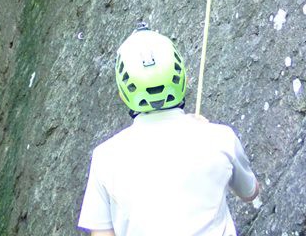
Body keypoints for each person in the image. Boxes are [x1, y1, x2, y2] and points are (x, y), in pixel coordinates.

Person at [78, 25, 259, 236]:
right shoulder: (220, 138)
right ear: (184, 78)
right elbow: (250, 192)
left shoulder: (105, 158)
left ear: (122, 93)